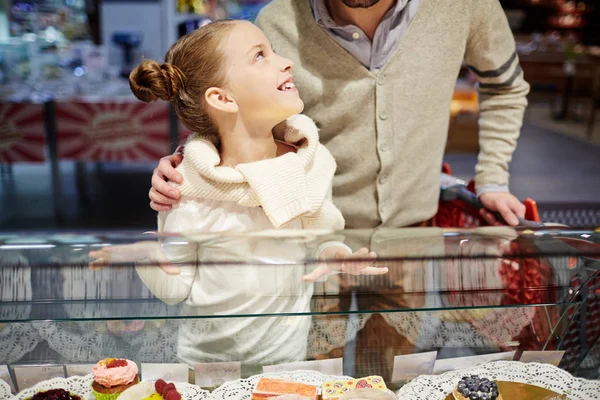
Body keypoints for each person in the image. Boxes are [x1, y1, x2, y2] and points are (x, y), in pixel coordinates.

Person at [113, 19, 386, 368]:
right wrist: (146, 255)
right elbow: (175, 290)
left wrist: (335, 253)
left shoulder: (310, 166)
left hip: (286, 362)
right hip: (207, 368)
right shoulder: (188, 186)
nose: (285, 61)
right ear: (222, 98)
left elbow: (316, 239)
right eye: (260, 56)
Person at [149, 0, 530, 228]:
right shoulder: (277, 23)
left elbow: (506, 84)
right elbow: (236, 111)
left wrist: (493, 179)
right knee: (305, 364)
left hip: (410, 236)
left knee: (393, 363)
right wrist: (194, 163)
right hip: (305, 232)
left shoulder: (464, 8)